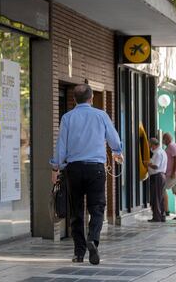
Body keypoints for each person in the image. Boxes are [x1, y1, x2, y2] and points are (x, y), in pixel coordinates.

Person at [50, 84, 123, 265]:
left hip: (73, 169)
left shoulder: (67, 118)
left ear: (74, 100)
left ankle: (79, 253)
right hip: (95, 169)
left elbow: (61, 146)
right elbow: (114, 140)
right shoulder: (101, 115)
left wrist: (55, 167)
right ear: (91, 99)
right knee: (97, 208)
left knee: (76, 211)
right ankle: (93, 239)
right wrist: (117, 151)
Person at [146, 138, 167, 222]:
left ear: (153, 145)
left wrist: (147, 164)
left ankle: (157, 217)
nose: (149, 147)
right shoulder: (162, 152)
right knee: (160, 197)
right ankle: (162, 215)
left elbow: (156, 166)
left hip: (157, 177)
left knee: (156, 198)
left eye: (150, 145)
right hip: (161, 176)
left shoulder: (158, 153)